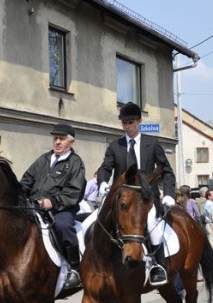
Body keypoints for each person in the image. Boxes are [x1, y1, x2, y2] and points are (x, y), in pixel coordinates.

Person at [97, 102, 176, 286]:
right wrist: (102, 182)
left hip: (145, 199)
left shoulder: (152, 143)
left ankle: (158, 266)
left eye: (131, 122)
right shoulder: (115, 146)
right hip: (122, 199)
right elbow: (105, 167)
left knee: (151, 224)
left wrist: (170, 193)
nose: (127, 126)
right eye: (124, 123)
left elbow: (166, 171)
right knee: (96, 221)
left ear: (139, 121)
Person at [20, 122, 86, 289]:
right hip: (34, 206)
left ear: (71, 142)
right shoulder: (43, 159)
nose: (57, 142)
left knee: (63, 226)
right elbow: (27, 180)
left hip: (62, 208)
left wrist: (53, 202)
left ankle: (75, 269)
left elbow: (74, 191)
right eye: (55, 138)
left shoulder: (75, 163)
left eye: (61, 139)